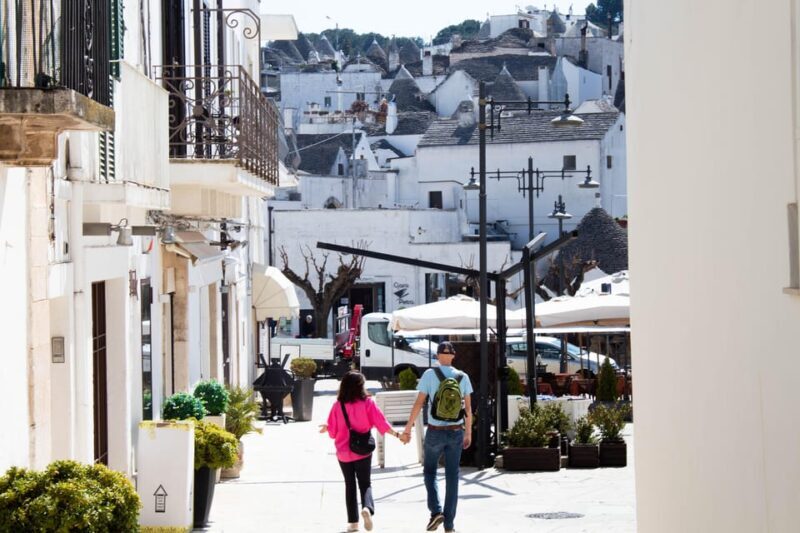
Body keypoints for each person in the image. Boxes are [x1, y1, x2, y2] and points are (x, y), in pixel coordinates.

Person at [320, 371, 405, 532]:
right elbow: (381, 423)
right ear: (360, 386)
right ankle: (367, 508)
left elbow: (332, 432)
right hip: (363, 450)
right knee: (365, 483)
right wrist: (398, 434)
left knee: (349, 485)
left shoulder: (338, 405)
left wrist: (327, 428)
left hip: (344, 453)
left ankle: (353, 523)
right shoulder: (367, 403)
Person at [402, 342, 473, 533]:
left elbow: (418, 404)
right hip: (456, 431)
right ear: (453, 356)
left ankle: (436, 512)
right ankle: (449, 525)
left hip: (434, 431)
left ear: (437, 355)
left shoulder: (429, 375)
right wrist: (468, 433)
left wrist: (408, 428)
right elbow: (468, 409)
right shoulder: (463, 377)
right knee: (452, 476)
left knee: (430, 472)